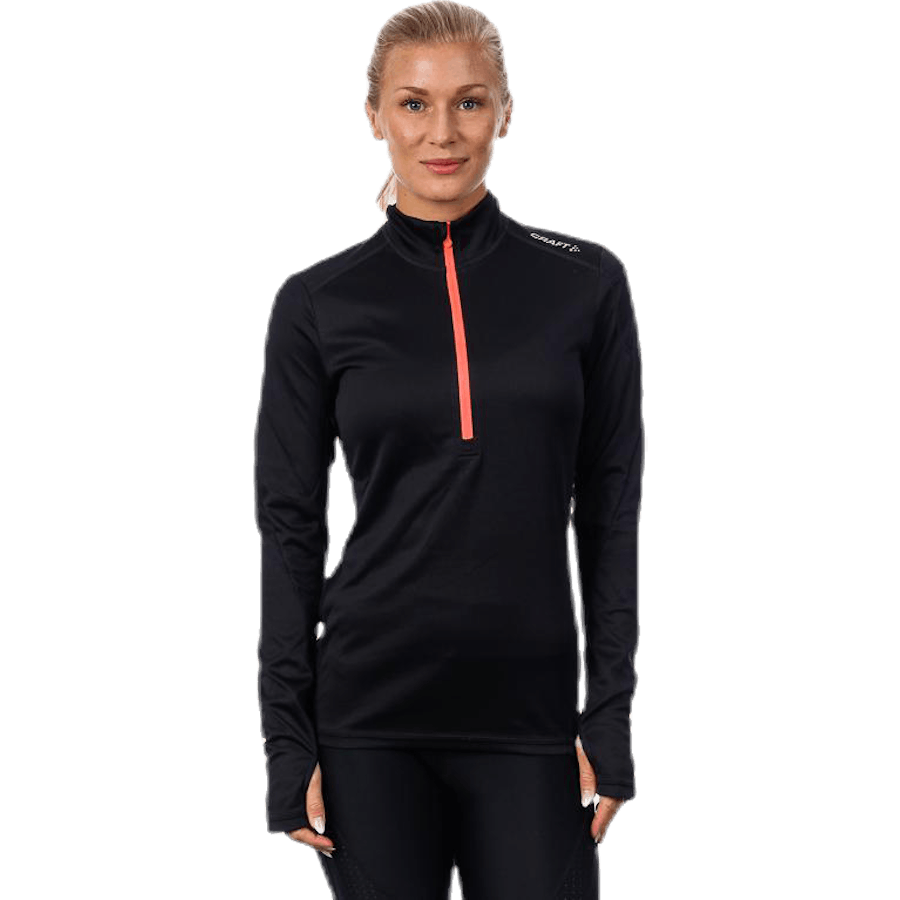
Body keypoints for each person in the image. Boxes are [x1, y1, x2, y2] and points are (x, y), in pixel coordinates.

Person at [252, 1, 645, 896]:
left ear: (506, 112)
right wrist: (286, 737)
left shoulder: (585, 284)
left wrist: (609, 712)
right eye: (414, 103)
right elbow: (289, 530)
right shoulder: (318, 302)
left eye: (469, 102)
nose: (443, 132)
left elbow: (612, 512)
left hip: (533, 720)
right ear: (375, 115)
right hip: (368, 721)